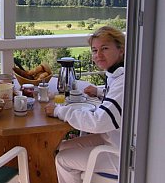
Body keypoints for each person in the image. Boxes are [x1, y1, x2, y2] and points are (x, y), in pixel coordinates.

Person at [44, 26, 125, 183]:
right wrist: (100, 92)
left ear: (120, 50)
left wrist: (60, 111)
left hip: (122, 154)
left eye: (105, 48)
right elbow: (119, 98)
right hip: (114, 139)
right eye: (94, 50)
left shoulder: (122, 81)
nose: (98, 55)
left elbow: (98, 122)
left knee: (62, 160)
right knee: (64, 147)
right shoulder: (118, 75)